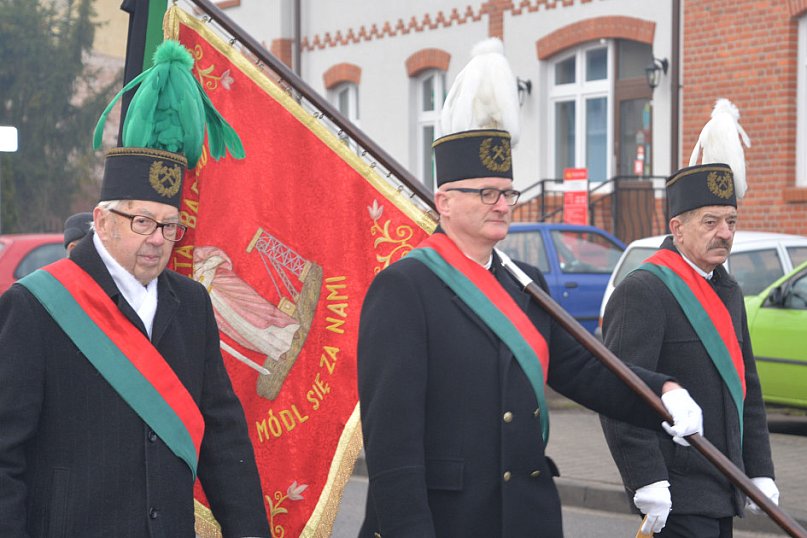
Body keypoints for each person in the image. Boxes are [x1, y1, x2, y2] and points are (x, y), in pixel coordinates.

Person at [356, 38, 704, 538]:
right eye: (486, 193)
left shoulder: (525, 284)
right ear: (444, 201)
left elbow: (584, 368)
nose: (502, 204)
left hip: (525, 515)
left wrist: (662, 391)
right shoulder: (405, 288)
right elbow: (392, 440)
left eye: (508, 192)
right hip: (449, 520)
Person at [0, 40, 269, 537]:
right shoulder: (35, 306)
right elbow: (5, 454)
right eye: (142, 221)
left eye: (170, 226)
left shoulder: (192, 304)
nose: (158, 239)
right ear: (102, 221)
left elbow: (223, 435)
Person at [600, 161, 778, 537]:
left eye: (731, 221)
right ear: (678, 228)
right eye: (710, 222)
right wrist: (646, 478)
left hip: (723, 484)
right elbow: (619, 392)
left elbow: (747, 388)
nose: (724, 233)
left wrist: (760, 470)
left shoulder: (728, 291)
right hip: (676, 490)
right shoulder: (644, 290)